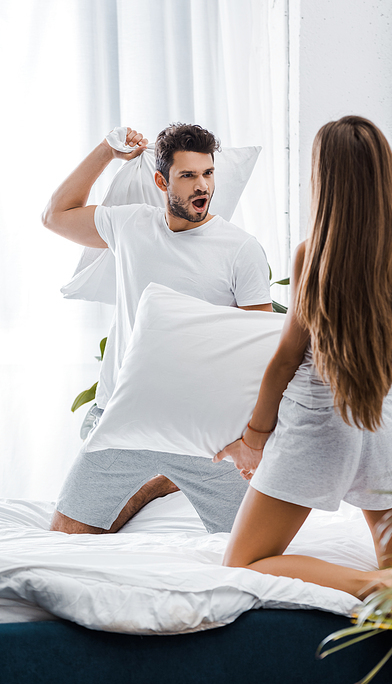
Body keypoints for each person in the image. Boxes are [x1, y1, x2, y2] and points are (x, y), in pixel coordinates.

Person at [215, 115, 392, 670]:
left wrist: (253, 438)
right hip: (380, 419)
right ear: (384, 175)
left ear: (326, 182)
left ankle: (369, 587)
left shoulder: (311, 254)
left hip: (315, 428)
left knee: (244, 560)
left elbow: (284, 361)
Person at [42, 123, 272, 535]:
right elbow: (55, 216)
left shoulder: (240, 249)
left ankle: (168, 477)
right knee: (66, 538)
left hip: (204, 429)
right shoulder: (131, 226)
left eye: (208, 173)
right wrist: (106, 151)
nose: (202, 186)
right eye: (188, 176)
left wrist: (252, 437)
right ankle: (156, 484)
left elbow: (261, 348)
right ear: (161, 181)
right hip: (122, 418)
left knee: (246, 551)